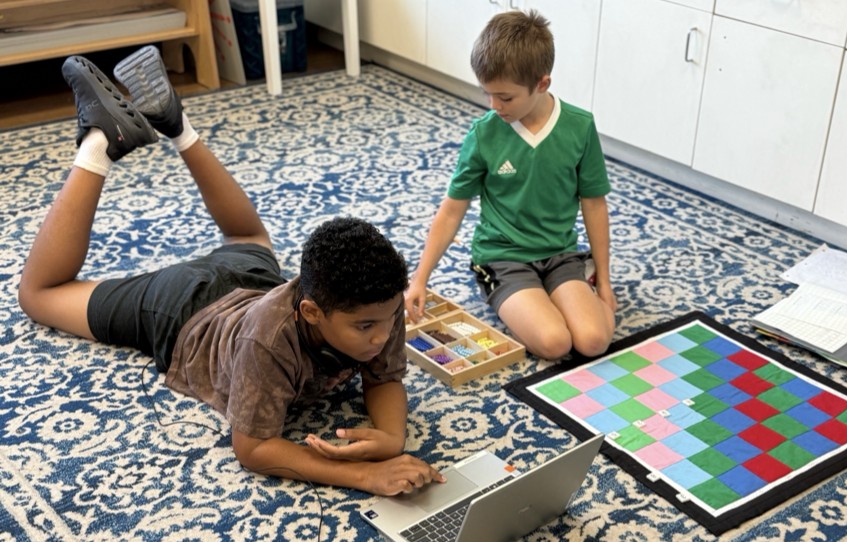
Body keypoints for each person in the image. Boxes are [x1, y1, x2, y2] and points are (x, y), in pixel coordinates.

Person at [17, 46, 444, 497]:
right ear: (312, 312)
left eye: (388, 320)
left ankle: (176, 124)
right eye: (365, 327)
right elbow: (253, 447)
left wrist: (392, 437)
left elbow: (384, 377)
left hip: (251, 278)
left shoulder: (378, 302)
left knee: (247, 238)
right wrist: (365, 476)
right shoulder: (267, 341)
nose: (382, 336)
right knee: (39, 294)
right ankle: (100, 142)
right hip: (185, 308)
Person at [405, 10, 616, 361]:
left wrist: (605, 284)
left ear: (542, 84)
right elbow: (452, 209)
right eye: (488, 94)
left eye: (505, 97)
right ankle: (529, 296)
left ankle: (585, 280)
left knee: (593, 341)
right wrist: (419, 279)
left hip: (560, 254)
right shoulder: (483, 134)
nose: (494, 106)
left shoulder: (580, 127)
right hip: (502, 258)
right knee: (555, 343)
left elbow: (594, 204)